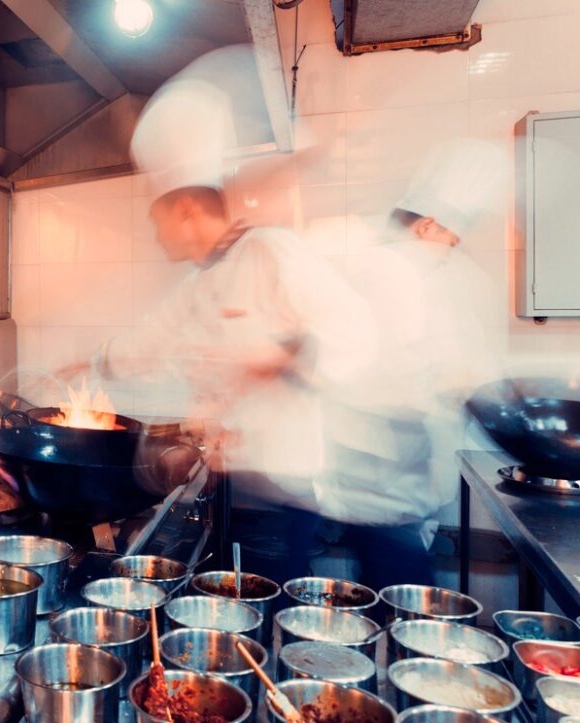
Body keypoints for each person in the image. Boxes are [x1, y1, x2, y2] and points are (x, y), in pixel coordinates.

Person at [64, 45, 377, 583]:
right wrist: (87, 364)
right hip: (235, 486)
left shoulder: (271, 251)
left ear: (186, 210)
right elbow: (150, 341)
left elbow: (357, 333)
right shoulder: (204, 280)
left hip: (281, 492)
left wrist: (281, 358)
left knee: (259, 612)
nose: (158, 235)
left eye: (158, 219)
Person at [317, 138, 507, 591]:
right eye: (450, 239)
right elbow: (369, 365)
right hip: (384, 469)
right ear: (426, 226)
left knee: (393, 579)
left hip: (395, 473)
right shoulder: (385, 269)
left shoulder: (430, 274)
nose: (451, 250)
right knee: (397, 580)